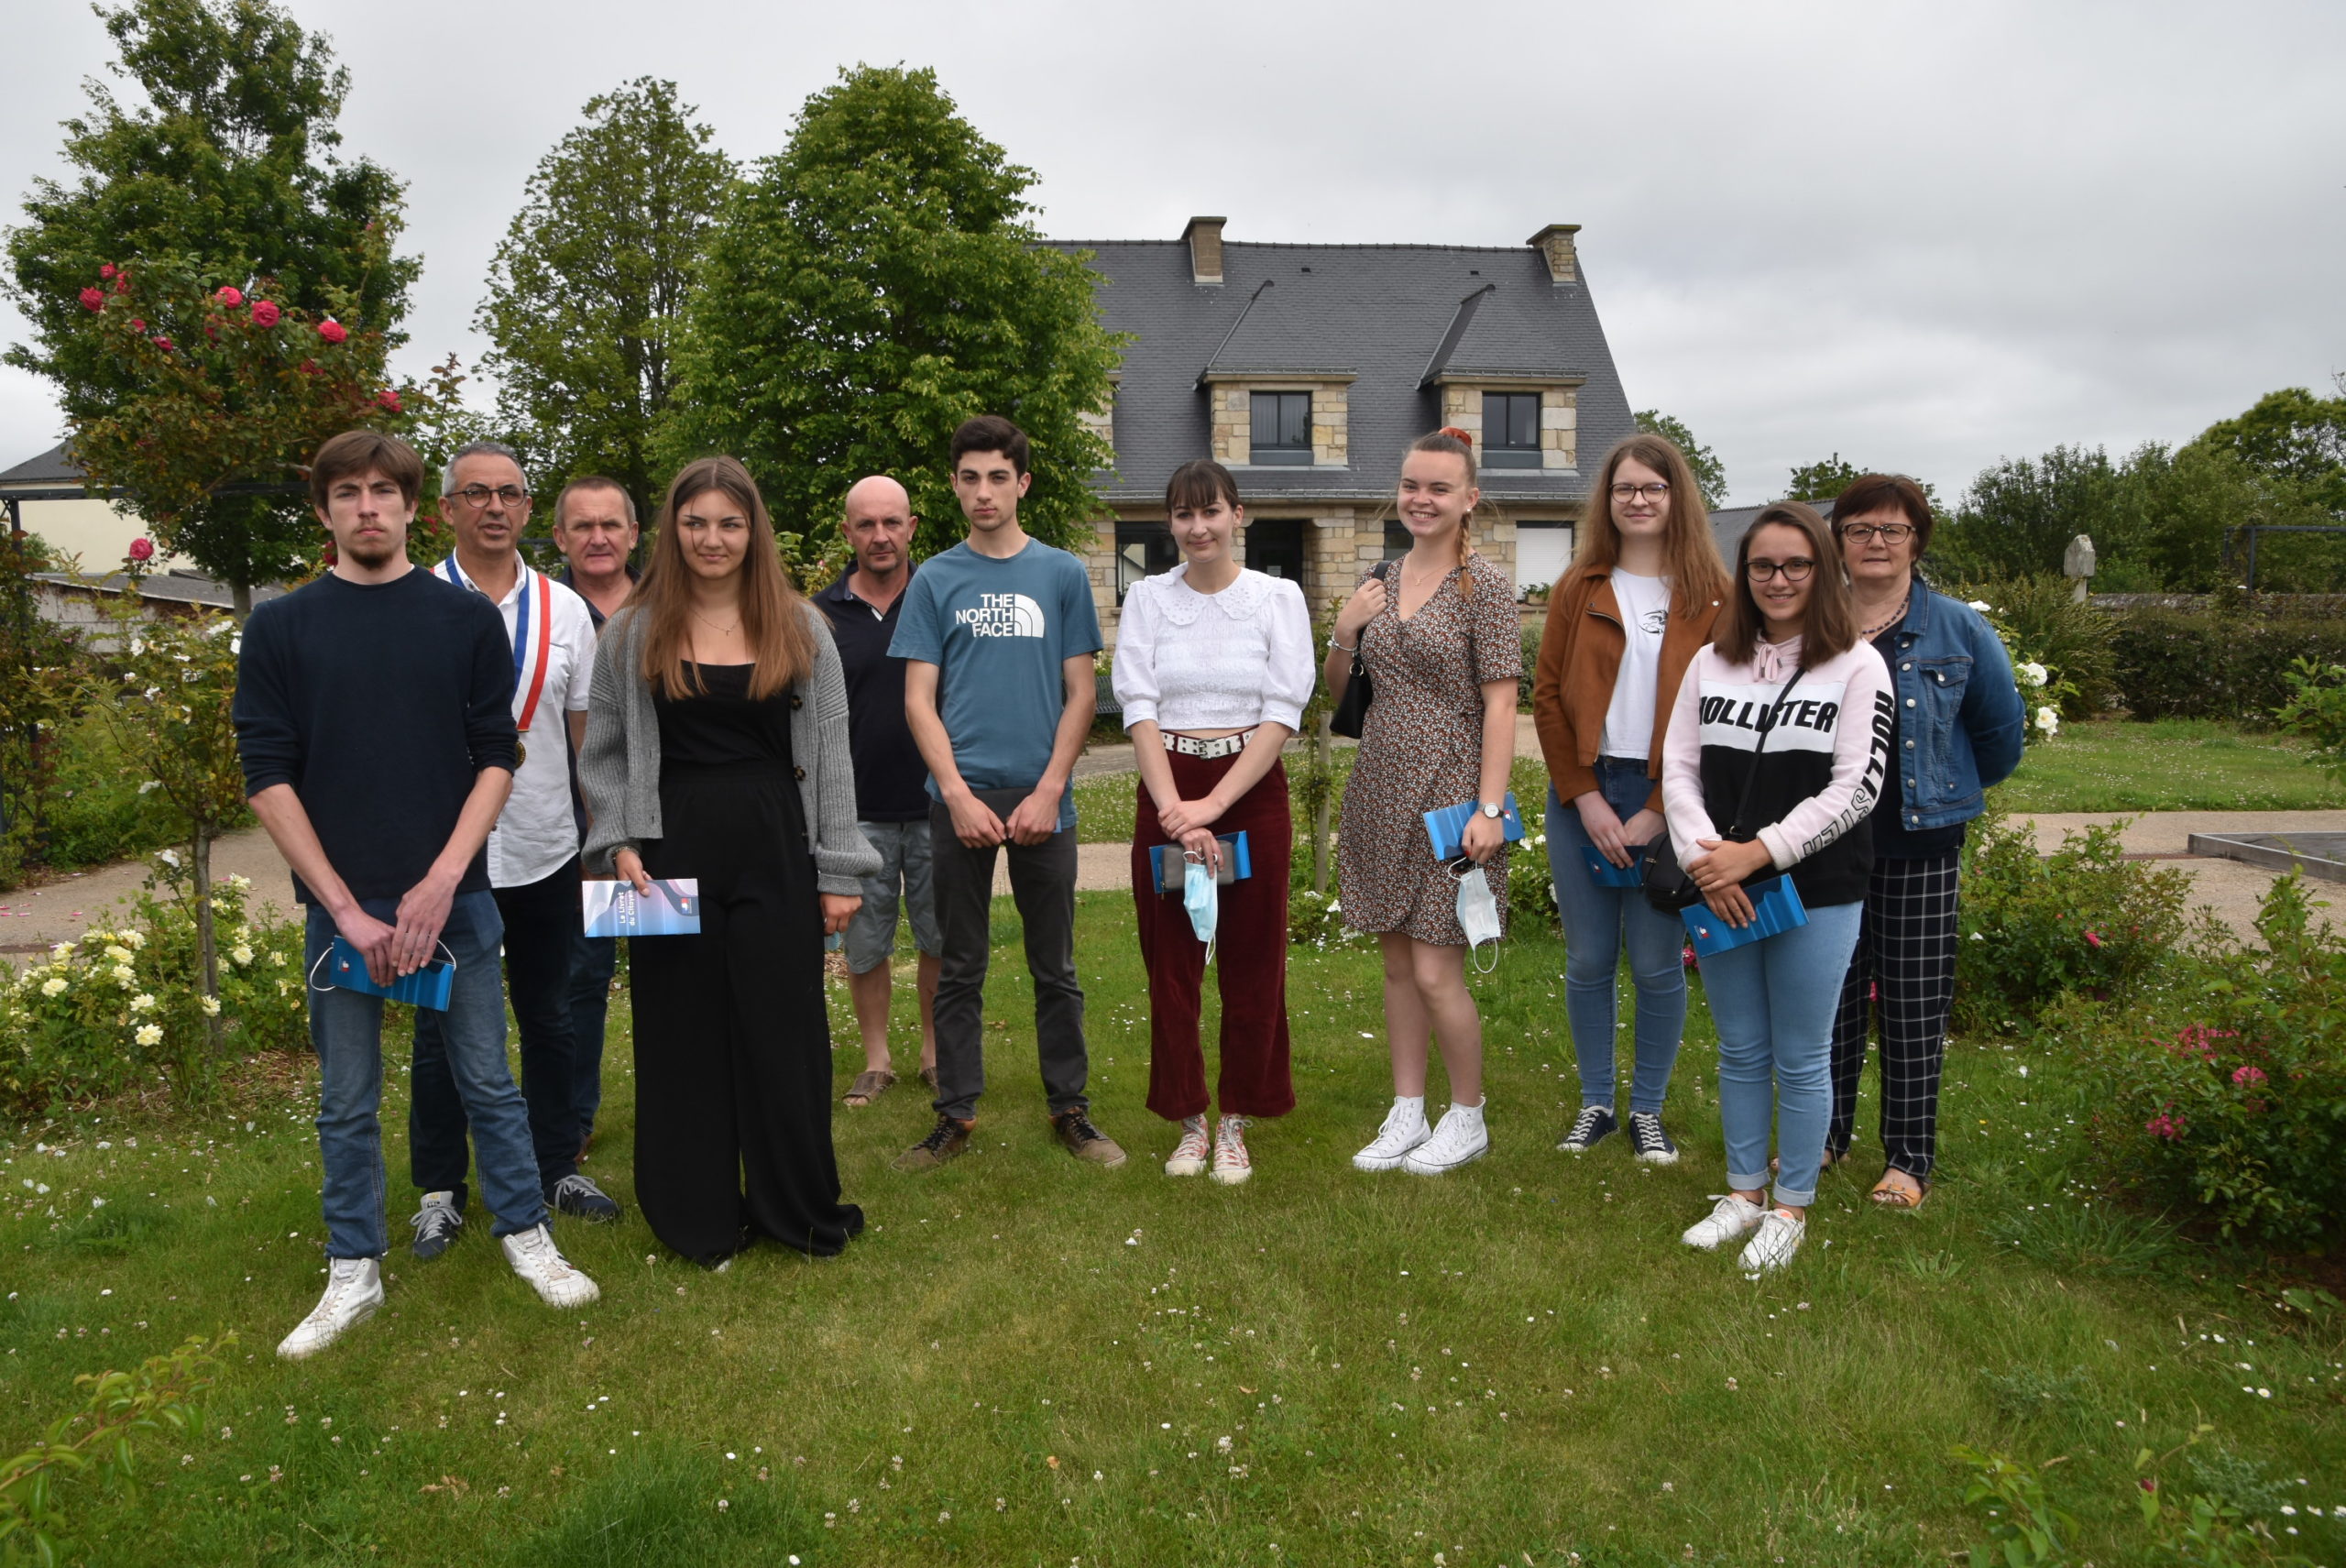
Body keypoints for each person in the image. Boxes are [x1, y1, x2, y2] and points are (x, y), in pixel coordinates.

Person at [235, 430, 598, 1360]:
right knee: (346, 1099)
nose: (367, 508)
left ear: (408, 507)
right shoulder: (281, 628)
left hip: (458, 902)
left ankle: (526, 1232)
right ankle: (353, 1266)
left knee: (488, 1078)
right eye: (347, 493)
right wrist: (345, 907)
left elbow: (496, 756)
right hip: (339, 912)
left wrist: (441, 881)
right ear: (325, 511)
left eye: (382, 492)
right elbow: (267, 775)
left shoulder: (463, 621)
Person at [577, 455, 877, 1266]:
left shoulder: (801, 627)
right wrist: (617, 841)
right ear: (672, 529)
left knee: (784, 1033)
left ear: (754, 531)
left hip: (776, 848)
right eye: (696, 522)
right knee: (680, 1034)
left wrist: (838, 870)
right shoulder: (631, 632)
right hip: (667, 855)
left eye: (730, 523)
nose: (712, 539)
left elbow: (833, 757)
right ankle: (698, 1217)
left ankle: (795, 1209)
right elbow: (604, 753)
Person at [1661, 502, 1892, 1273]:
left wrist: (1755, 855)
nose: (1779, 579)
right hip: (1717, 881)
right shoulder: (1710, 661)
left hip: (1817, 888)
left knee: (1800, 1054)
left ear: (1823, 571)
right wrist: (1706, 860)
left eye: (1797, 564)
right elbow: (1678, 770)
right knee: (1738, 1048)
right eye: (1763, 565)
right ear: (1745, 572)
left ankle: (1791, 1205)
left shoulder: (1858, 664)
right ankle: (1742, 1192)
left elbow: (1855, 787)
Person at [889, 415, 1124, 1172]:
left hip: (1042, 798)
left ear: (1022, 482)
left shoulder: (1060, 574)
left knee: (1055, 965)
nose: (983, 491)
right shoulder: (934, 579)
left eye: (998, 476)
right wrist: (956, 793)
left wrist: (1052, 789)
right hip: (959, 798)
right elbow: (918, 699)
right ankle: (954, 1114)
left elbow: (1082, 694)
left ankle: (1071, 1110)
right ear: (954, 485)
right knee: (959, 964)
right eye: (970, 477)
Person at [406, 444, 619, 1265]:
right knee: (440, 1026)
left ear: (529, 510)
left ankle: (555, 1165)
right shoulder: (414, 600)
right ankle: (440, 1189)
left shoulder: (565, 610)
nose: (494, 507)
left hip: (543, 846)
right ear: (447, 509)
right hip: (444, 857)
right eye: (476, 493)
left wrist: (602, 835)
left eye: (510, 493)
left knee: (550, 1011)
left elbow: (584, 734)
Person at [1113, 458, 1314, 1184]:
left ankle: (1236, 1119)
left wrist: (1214, 806)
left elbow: (1282, 709)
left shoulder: (1277, 599)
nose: (1198, 527)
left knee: (1252, 961)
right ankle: (1189, 1119)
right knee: (1171, 964)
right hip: (1167, 785)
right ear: (1170, 521)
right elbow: (1138, 703)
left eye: (1211, 511)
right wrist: (1176, 808)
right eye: (1184, 514)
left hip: (1248, 791)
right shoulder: (1147, 599)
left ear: (1238, 514)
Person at [1531, 433, 1729, 1165]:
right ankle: (1597, 1103)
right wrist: (1584, 797)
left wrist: (1658, 806)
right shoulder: (1579, 586)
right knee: (1588, 959)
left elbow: (1721, 712)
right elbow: (1547, 696)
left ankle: (1647, 1108)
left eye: (1653, 487)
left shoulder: (1714, 594)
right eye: (1625, 488)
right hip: (1584, 792)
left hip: (1670, 797)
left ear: (1677, 496)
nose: (1638, 499)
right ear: (1607, 499)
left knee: (1654, 964)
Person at [1328, 429, 1522, 1177]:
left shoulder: (1486, 587)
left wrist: (1490, 809)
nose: (1422, 499)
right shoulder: (1379, 577)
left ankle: (1467, 1115)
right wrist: (1344, 630)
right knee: (1399, 969)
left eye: (1439, 488)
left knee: (1439, 971)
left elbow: (1502, 704)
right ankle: (1407, 1109)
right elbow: (1344, 695)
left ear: (1469, 498)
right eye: (1412, 484)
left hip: (1452, 797)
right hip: (1380, 787)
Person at [1826, 474, 2023, 1209]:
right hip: (1826, 848)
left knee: (1912, 1008)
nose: (1876, 542)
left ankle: (1908, 1159)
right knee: (1830, 1003)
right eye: (1859, 529)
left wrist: (1945, 790)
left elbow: (2000, 735)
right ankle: (1826, 1135)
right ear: (1839, 541)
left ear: (1917, 541)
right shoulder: (1813, 622)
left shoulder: (1959, 629)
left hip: (1920, 848)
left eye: (1893, 529)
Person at [815, 475, 941, 1108]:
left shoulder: (939, 598)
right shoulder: (819, 616)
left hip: (936, 802)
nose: (880, 535)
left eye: (892, 522)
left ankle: (935, 1054)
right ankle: (876, 1060)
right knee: (866, 946)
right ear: (848, 532)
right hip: (856, 811)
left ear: (911, 527)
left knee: (940, 938)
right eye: (866, 524)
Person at [551, 475, 641, 1157]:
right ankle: (573, 1121)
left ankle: (685, 1103)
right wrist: (593, 839)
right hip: (582, 832)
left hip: (672, 821)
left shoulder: (672, 603)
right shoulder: (548, 614)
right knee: (581, 977)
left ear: (634, 534)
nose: (598, 537)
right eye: (583, 526)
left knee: (679, 968)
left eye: (611, 524)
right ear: (560, 537)